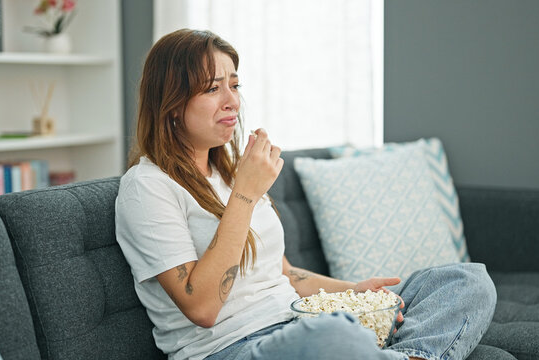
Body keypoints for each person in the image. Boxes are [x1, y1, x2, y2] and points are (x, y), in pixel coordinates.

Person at [115, 28, 497, 360]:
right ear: (173, 105)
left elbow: (285, 275)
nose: (231, 100)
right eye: (213, 88)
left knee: (466, 281)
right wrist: (245, 195)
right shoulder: (148, 186)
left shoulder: (230, 172)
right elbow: (201, 307)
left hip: (297, 320)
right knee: (335, 336)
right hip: (233, 348)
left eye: (234, 84)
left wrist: (355, 292)